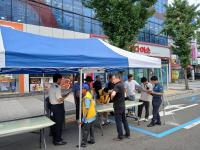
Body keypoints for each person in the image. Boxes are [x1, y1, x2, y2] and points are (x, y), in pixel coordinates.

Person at [48, 74, 68, 145]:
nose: (61, 81)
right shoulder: (57, 87)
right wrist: (65, 96)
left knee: (54, 123)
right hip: (57, 108)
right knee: (58, 124)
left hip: (52, 107)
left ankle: (55, 138)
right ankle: (58, 140)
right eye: (61, 79)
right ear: (58, 79)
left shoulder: (51, 86)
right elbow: (59, 100)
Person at [111, 74, 130, 141]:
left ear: (117, 78)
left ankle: (120, 136)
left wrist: (112, 96)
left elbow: (113, 94)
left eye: (113, 79)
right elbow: (125, 92)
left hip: (118, 106)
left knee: (118, 122)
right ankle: (128, 134)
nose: (112, 80)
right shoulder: (122, 84)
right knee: (124, 120)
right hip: (122, 105)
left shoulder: (117, 85)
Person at [80, 84, 96, 148]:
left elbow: (87, 108)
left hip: (88, 116)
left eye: (82, 89)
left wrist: (83, 118)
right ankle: (92, 140)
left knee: (85, 130)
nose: (81, 90)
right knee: (91, 129)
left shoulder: (86, 97)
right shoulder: (89, 94)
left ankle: (84, 142)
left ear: (85, 89)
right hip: (92, 115)